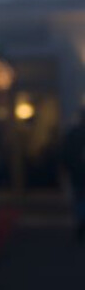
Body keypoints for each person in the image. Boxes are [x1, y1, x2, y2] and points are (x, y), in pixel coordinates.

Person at [63, 104, 85, 242]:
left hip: (77, 175)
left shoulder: (73, 134)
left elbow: (66, 156)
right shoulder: (73, 134)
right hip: (78, 174)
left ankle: (81, 225)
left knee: (79, 200)